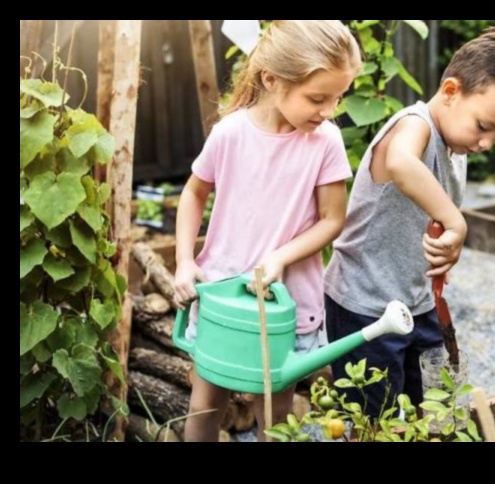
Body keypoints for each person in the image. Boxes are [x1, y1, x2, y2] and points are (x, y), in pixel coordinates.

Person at [325, 26, 495, 417]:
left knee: (422, 407)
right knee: (374, 418)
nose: (487, 144)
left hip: (416, 302)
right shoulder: (415, 125)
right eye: (483, 126)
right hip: (366, 305)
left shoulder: (456, 149)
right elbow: (401, 163)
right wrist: (456, 222)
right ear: (450, 91)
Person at [172, 20, 361, 442]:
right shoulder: (230, 134)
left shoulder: (326, 141)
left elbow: (333, 219)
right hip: (222, 295)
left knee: (275, 422)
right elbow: (193, 193)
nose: (329, 110)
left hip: (286, 305)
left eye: (338, 97)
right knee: (204, 411)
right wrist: (185, 262)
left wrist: (279, 257)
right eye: (317, 98)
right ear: (272, 79)